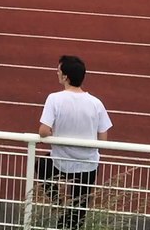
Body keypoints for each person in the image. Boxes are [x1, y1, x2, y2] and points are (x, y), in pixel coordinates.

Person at [37, 55, 112, 230]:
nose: (56, 73)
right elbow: (104, 138)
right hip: (88, 164)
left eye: (58, 71)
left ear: (65, 77)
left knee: (41, 166)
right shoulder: (96, 103)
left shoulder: (54, 99)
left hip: (60, 161)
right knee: (80, 206)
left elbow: (43, 131)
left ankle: (58, 202)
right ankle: (69, 222)